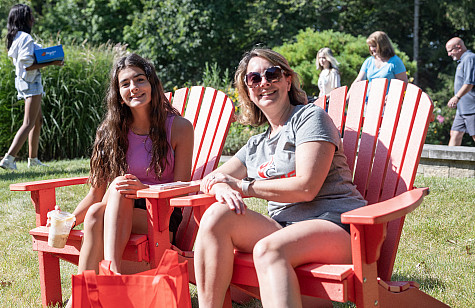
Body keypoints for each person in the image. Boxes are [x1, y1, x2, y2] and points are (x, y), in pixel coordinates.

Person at [194, 48, 367, 308]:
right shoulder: (256, 145)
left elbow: (306, 187)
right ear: (248, 90)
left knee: (268, 249)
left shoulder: (309, 118)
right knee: (215, 216)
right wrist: (221, 186)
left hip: (336, 226)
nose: (264, 83)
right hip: (284, 229)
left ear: (287, 80)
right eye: (254, 78)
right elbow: (213, 177)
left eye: (272, 74)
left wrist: (243, 187)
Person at [63, 53, 194, 308]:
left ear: (152, 84)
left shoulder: (179, 127)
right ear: (118, 93)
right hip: (119, 212)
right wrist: (67, 221)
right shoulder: (109, 131)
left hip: (161, 216)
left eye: (140, 79)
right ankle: (83, 301)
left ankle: (108, 281)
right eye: (125, 84)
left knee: (120, 188)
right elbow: (95, 194)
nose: (134, 88)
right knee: (94, 214)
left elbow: (182, 190)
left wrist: (145, 190)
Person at [0, 4, 64, 171]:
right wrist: (53, 62)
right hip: (30, 82)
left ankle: (33, 159)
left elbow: (23, 62)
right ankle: (9, 158)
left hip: (23, 81)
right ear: (23, 18)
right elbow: (27, 65)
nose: (33, 19)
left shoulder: (16, 37)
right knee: (28, 123)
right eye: (30, 16)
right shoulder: (26, 39)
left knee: (37, 120)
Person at [445, 37, 475, 146]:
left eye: (450, 51)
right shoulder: (462, 61)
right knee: (455, 133)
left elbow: (469, 83)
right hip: (462, 109)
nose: (449, 54)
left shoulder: (469, 58)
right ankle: (448, 162)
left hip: (472, 108)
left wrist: (456, 97)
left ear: (459, 48)